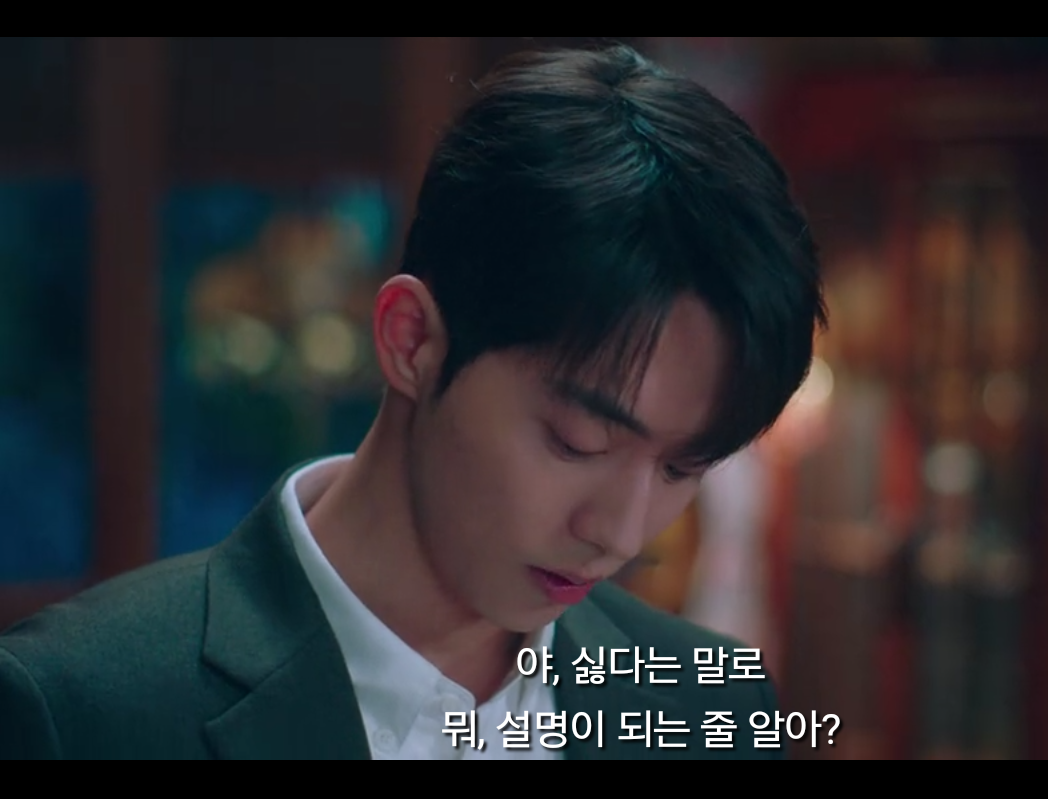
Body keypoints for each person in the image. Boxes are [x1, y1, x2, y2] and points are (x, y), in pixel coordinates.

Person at [0, 43, 826, 760]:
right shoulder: (79, 709)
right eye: (576, 440)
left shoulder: (709, 703)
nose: (619, 533)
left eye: (682, 468)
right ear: (411, 340)